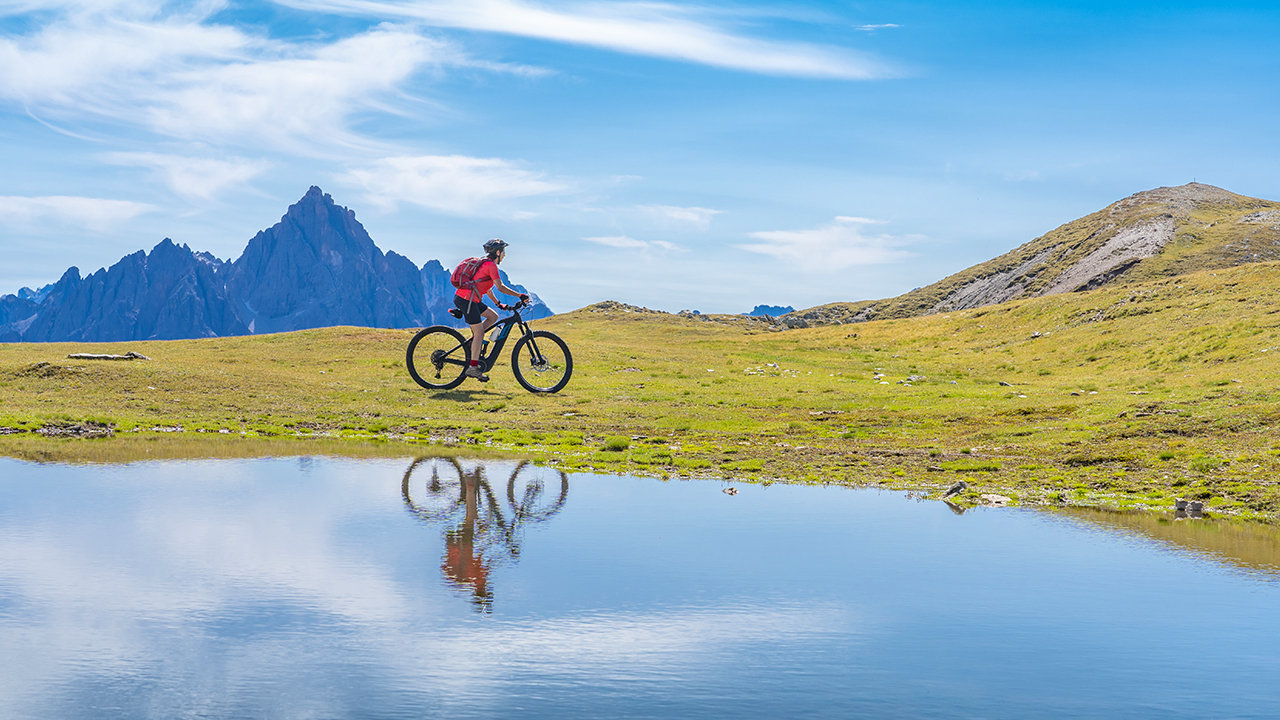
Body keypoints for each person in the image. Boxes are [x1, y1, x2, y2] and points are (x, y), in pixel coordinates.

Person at [455, 238, 528, 381]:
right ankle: (473, 368)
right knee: (480, 332)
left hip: (471, 299)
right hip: (466, 300)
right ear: (498, 252)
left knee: (493, 317)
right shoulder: (491, 266)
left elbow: (488, 289)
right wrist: (520, 295)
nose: (505, 255)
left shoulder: (484, 263)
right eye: (504, 252)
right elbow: (500, 287)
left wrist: (498, 304)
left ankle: (473, 343)